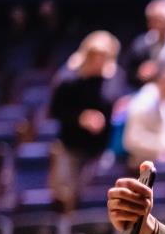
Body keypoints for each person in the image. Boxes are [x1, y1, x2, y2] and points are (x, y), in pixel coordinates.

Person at [48, 30, 124, 213]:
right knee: (65, 196)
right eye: (96, 56)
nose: (101, 61)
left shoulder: (114, 76)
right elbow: (54, 111)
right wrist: (80, 118)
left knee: (94, 199)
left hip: (100, 149)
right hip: (70, 146)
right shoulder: (68, 78)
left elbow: (116, 102)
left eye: (105, 56)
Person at [123, 66, 165, 169]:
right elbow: (132, 140)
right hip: (137, 167)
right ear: (163, 81)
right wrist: (164, 144)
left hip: (159, 166)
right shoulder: (144, 102)